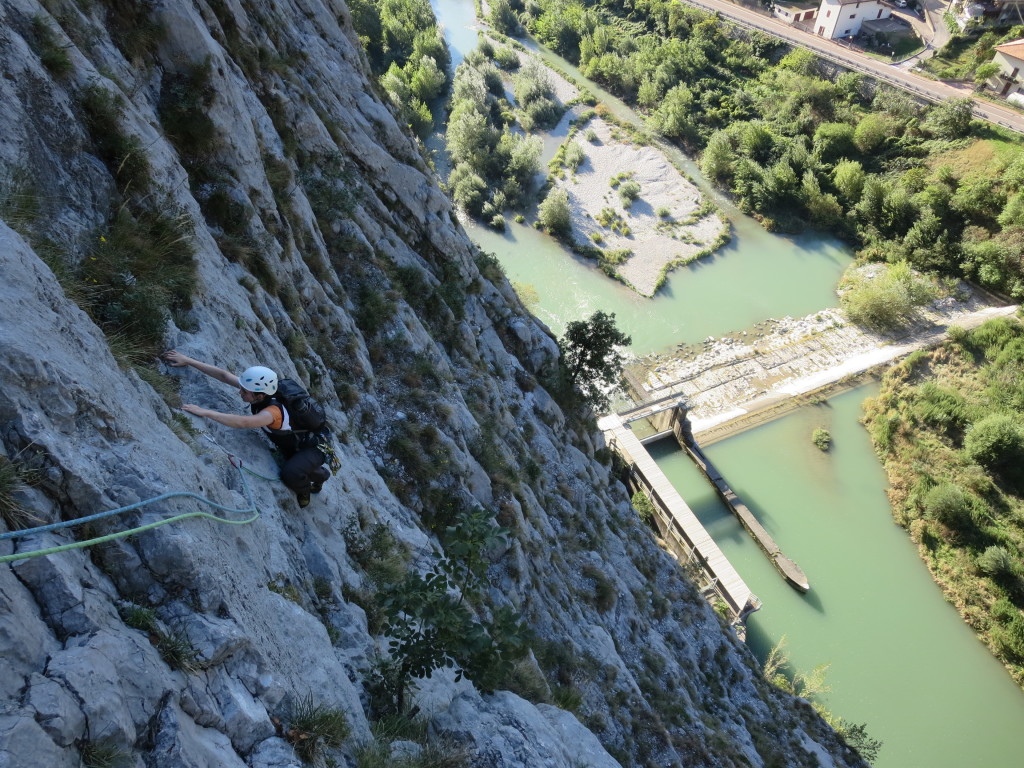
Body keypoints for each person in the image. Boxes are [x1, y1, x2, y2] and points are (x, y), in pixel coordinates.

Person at [162, 350, 330, 508]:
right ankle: (319, 474)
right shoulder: (260, 391)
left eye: (244, 391)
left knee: (290, 473)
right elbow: (224, 376)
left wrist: (205, 412)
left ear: (260, 395)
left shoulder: (272, 413)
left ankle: (305, 489)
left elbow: (243, 422)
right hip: (296, 443)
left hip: (313, 447)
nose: (240, 392)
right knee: (295, 462)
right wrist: (188, 360)